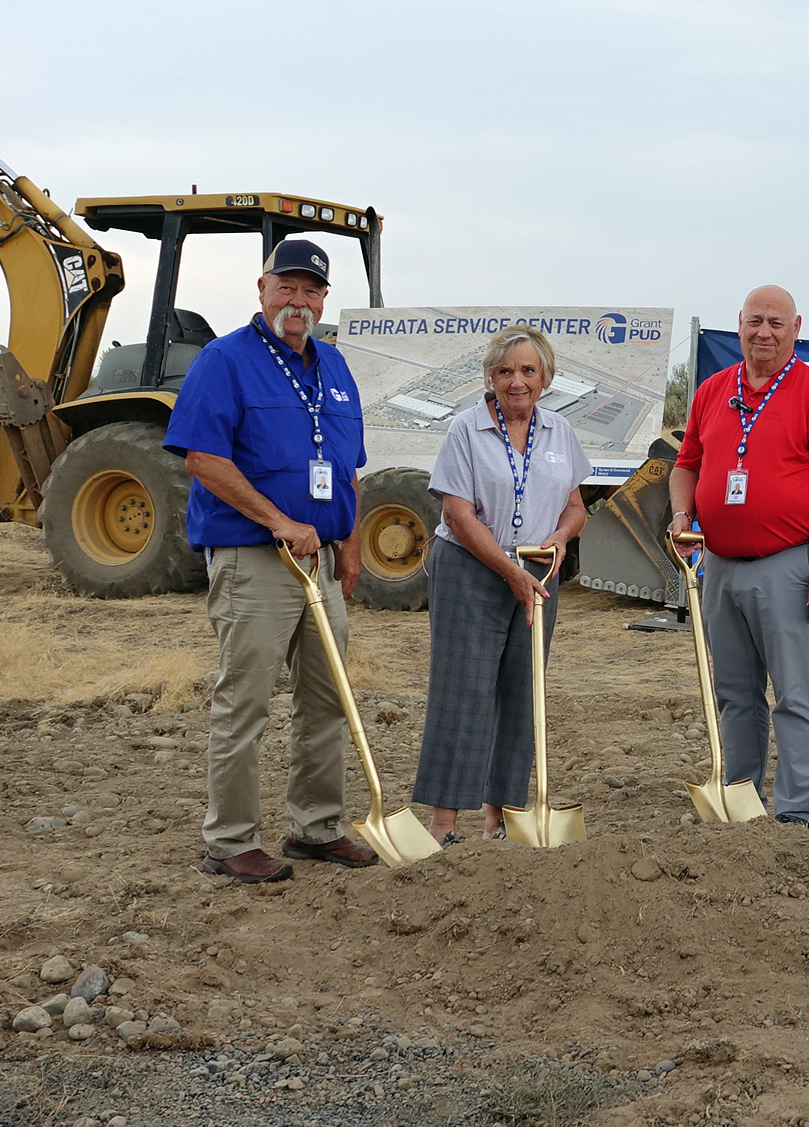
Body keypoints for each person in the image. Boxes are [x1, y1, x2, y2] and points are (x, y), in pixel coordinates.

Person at [165, 238, 376, 883]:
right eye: (287, 287)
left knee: (326, 698)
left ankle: (316, 828)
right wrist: (280, 521)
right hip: (256, 559)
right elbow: (202, 457)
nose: (299, 301)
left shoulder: (335, 368)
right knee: (247, 700)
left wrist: (353, 542)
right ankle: (229, 841)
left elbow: (348, 467)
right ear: (261, 289)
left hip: (321, 561)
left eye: (312, 291)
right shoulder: (223, 360)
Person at [667, 285, 809, 827]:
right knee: (734, 694)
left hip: (790, 566)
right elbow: (687, 465)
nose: (765, 332)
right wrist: (683, 517)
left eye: (777, 322)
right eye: (756, 321)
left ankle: (796, 813)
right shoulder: (711, 391)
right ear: (741, 324)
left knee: (794, 694)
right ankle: (741, 801)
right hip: (721, 566)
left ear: (796, 328)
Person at [412, 327, 591, 843]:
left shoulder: (559, 432)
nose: (518, 381)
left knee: (522, 691)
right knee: (462, 690)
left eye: (528, 371)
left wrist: (558, 539)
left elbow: (576, 506)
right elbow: (458, 514)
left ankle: (502, 818)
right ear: (490, 377)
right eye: (506, 371)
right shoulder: (466, 430)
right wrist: (509, 571)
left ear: (546, 378)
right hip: (472, 566)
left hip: (538, 570)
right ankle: (444, 823)